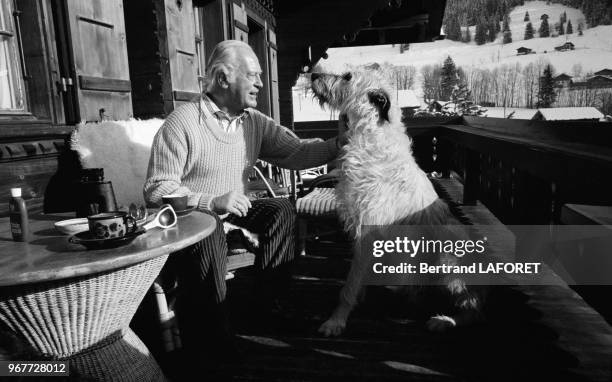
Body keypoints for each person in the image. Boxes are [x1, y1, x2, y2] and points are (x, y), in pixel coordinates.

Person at [143, 39, 343, 361]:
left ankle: (269, 304)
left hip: (232, 211)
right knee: (208, 231)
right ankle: (214, 331)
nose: (260, 83)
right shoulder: (181, 123)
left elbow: (296, 151)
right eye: (252, 75)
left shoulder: (253, 122)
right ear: (223, 79)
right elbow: (157, 188)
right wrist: (210, 201)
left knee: (281, 209)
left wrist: (337, 145)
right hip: (193, 220)